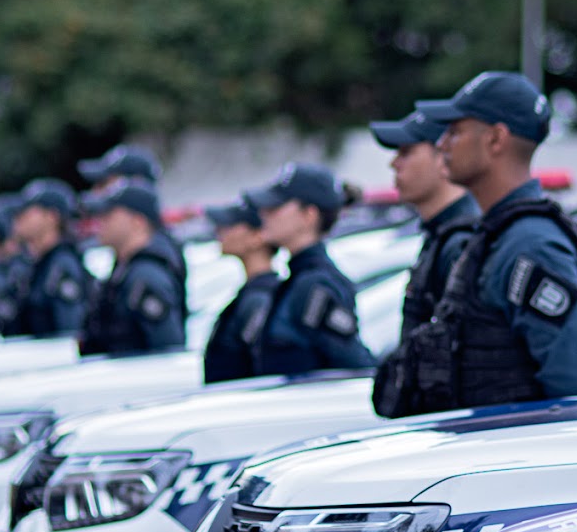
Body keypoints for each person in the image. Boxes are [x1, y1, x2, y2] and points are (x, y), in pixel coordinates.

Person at [399, 70, 577, 411]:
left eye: (455, 132)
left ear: (495, 139)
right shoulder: (494, 235)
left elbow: (574, 389)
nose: (442, 144)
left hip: (514, 455)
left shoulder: (531, 246)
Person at [367, 109, 480, 417]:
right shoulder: (442, 237)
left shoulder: (460, 243)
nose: (394, 163)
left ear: (443, 157)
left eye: (406, 152)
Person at [250, 162, 375, 375]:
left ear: (308, 215)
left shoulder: (316, 284)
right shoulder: (298, 278)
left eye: (276, 207)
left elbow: (354, 365)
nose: (264, 214)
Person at [78, 177, 187, 356]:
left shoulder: (146, 277)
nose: (100, 222)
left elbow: (168, 353)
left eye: (109, 214)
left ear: (138, 221)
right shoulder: (125, 271)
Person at [201, 194, 281, 384]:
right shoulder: (254, 292)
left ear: (256, 237)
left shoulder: (259, 299)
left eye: (231, 225)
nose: (220, 231)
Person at [3, 178, 92, 338]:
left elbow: (69, 333)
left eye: (27, 211)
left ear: (51, 216)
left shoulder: (62, 265)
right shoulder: (38, 264)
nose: (19, 218)